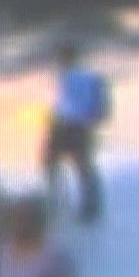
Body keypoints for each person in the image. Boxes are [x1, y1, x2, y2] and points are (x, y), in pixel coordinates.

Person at [44, 40, 109, 223]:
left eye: (62, 57)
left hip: (72, 126)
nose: (60, 61)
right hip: (70, 125)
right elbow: (99, 109)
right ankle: (65, 202)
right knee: (67, 165)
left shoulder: (82, 78)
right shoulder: (70, 77)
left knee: (77, 166)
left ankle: (77, 205)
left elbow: (98, 107)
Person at [0, 196, 78, 277]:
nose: (19, 223)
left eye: (23, 217)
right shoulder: (3, 252)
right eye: (15, 217)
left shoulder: (53, 253)